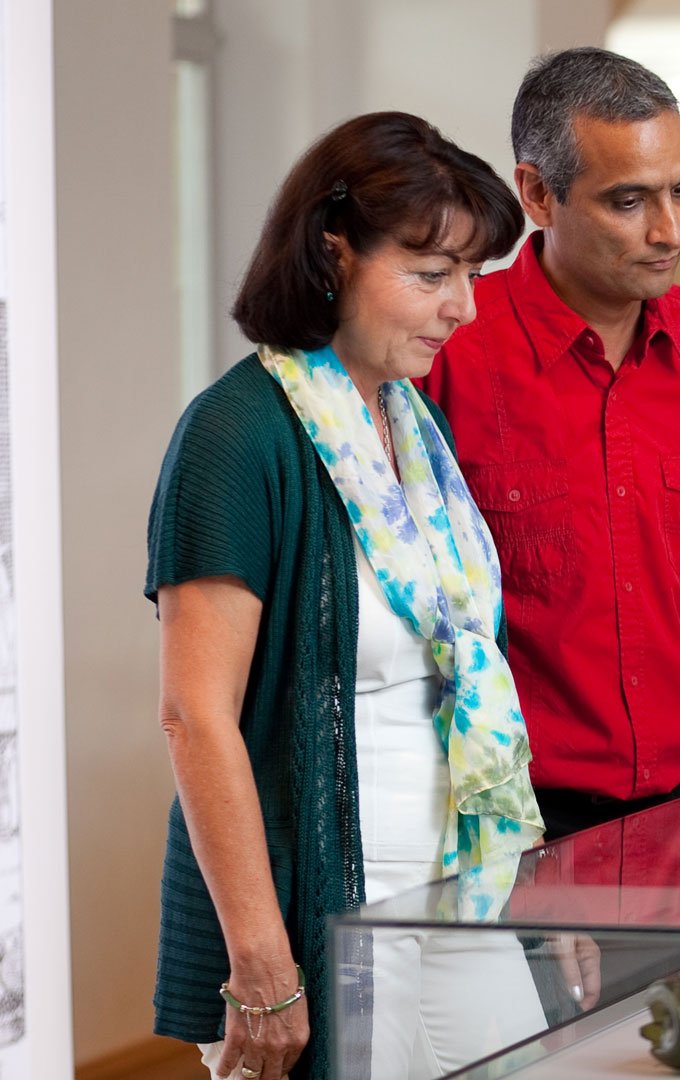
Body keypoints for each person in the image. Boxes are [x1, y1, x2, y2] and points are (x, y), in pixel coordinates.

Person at [148, 112, 543, 1080]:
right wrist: (262, 958)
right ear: (333, 255)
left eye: (472, 276)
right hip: (322, 907)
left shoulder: (414, 427)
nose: (464, 309)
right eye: (430, 273)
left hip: (459, 890)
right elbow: (195, 717)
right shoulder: (237, 437)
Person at [422, 47, 680, 841]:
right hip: (497, 810)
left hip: (672, 802)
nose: (668, 229)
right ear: (538, 193)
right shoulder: (450, 353)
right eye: (629, 201)